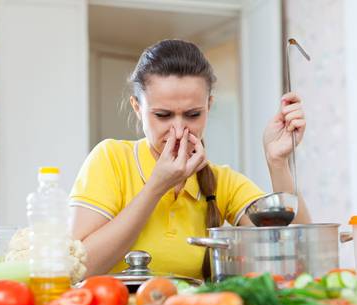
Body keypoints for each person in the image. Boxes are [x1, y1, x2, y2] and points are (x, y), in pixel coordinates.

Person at [69, 39, 309, 280]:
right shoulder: (111, 159)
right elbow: (78, 270)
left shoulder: (221, 181)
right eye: (163, 115)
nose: (179, 129)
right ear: (137, 108)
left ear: (209, 106)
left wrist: (278, 163)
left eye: (193, 115)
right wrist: (156, 186)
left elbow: (296, 256)